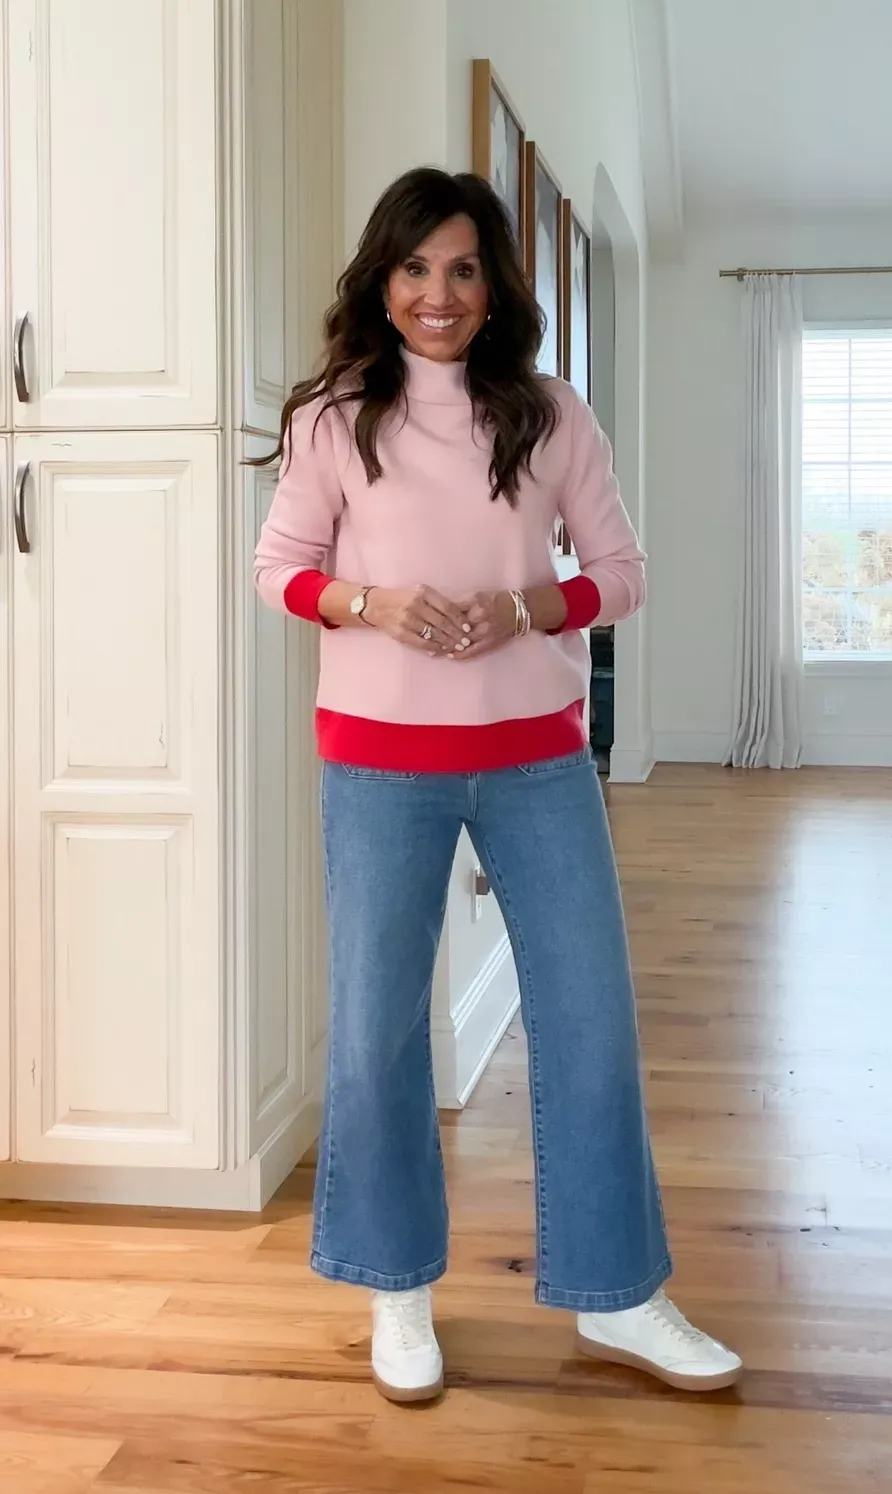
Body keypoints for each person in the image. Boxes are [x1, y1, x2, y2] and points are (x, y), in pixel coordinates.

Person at [254, 167, 741, 1405]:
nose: (437, 294)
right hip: (378, 762)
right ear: (384, 278)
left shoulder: (550, 414)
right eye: (416, 268)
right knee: (373, 1037)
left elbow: (622, 572)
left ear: (493, 286)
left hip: (536, 758)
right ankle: (395, 1287)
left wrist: (531, 604)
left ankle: (619, 1293)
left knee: (590, 1019)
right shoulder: (333, 418)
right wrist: (375, 602)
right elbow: (281, 569)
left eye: (463, 269)